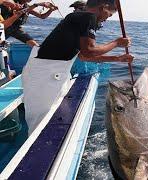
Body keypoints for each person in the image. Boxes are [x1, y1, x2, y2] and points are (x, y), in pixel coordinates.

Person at [22, 0, 134, 135]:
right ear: (103, 8)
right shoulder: (88, 17)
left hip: (53, 73)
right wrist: (116, 43)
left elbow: (82, 56)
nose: (106, 19)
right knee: (39, 123)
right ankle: (37, 153)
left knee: (50, 115)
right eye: (109, 15)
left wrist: (117, 58)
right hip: (46, 75)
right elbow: (89, 51)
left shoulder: (78, 18)